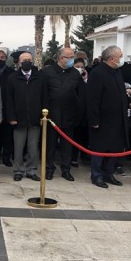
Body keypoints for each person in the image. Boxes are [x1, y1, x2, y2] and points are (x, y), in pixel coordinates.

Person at [86, 45, 128, 188]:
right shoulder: (98, 73)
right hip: (102, 120)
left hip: (117, 119)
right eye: (120, 56)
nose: (121, 59)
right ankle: (97, 175)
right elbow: (92, 99)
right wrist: (94, 120)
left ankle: (109, 174)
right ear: (112, 58)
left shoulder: (117, 72)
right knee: (100, 149)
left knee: (114, 148)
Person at [40, 47, 85, 182]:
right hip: (51, 116)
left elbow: (81, 93)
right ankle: (49, 169)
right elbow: (42, 94)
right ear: (60, 58)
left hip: (69, 115)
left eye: (73, 57)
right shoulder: (46, 72)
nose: (72, 60)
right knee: (50, 145)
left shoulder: (75, 74)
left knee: (67, 146)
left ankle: (66, 170)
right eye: (69, 57)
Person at [5, 52, 45, 181]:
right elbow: (8, 99)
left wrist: (43, 116)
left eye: (29, 59)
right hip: (18, 118)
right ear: (19, 62)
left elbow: (45, 98)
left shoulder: (40, 78)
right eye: (24, 60)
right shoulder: (12, 78)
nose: (27, 61)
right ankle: (18, 170)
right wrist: (11, 116)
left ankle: (31, 170)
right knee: (18, 146)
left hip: (35, 118)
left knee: (33, 147)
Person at [0, 50, 14, 167]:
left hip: (8, 108)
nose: (0, 59)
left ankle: (6, 157)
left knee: (7, 136)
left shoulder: (11, 73)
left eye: (2, 57)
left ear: (6, 59)